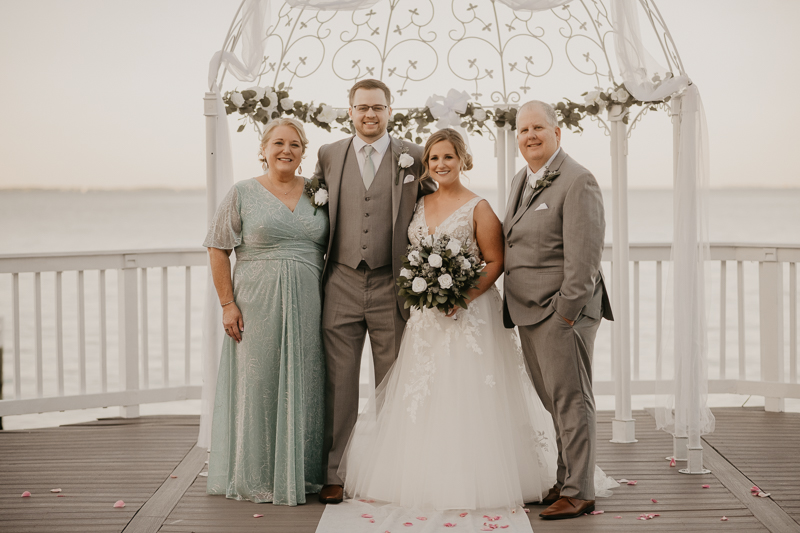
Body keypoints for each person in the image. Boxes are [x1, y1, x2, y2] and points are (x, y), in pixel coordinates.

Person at [337, 128, 558, 512]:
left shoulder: (480, 207)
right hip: (426, 318)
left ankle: (479, 477)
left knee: (468, 392)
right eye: (434, 158)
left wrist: (463, 296)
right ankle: (424, 476)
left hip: (470, 316)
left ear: (463, 161)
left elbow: (496, 261)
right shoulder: (419, 204)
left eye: (448, 158)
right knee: (427, 393)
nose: (441, 164)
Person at [314, 79, 435, 504]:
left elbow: (436, 207)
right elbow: (312, 211)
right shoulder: (329, 155)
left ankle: (393, 472)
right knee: (338, 385)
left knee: (395, 384)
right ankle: (335, 473)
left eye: (378, 107)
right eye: (362, 107)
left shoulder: (414, 157)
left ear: (390, 110)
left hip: (393, 284)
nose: (370, 114)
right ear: (349, 111)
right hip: (341, 282)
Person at [204, 117, 328, 506]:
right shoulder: (242, 192)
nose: (286, 150)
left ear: (303, 151)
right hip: (255, 302)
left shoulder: (318, 193)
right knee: (258, 383)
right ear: (264, 149)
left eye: (294, 144)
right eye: (278, 143)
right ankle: (257, 475)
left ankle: (304, 475)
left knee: (307, 381)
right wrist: (227, 304)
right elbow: (217, 247)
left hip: (310, 302)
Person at [502, 100, 613, 520]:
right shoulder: (521, 179)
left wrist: (565, 315)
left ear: (557, 132)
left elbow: (584, 260)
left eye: (538, 128)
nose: (530, 136)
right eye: (523, 130)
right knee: (554, 401)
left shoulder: (578, 180)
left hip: (560, 312)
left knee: (573, 400)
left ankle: (580, 492)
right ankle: (565, 480)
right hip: (528, 310)